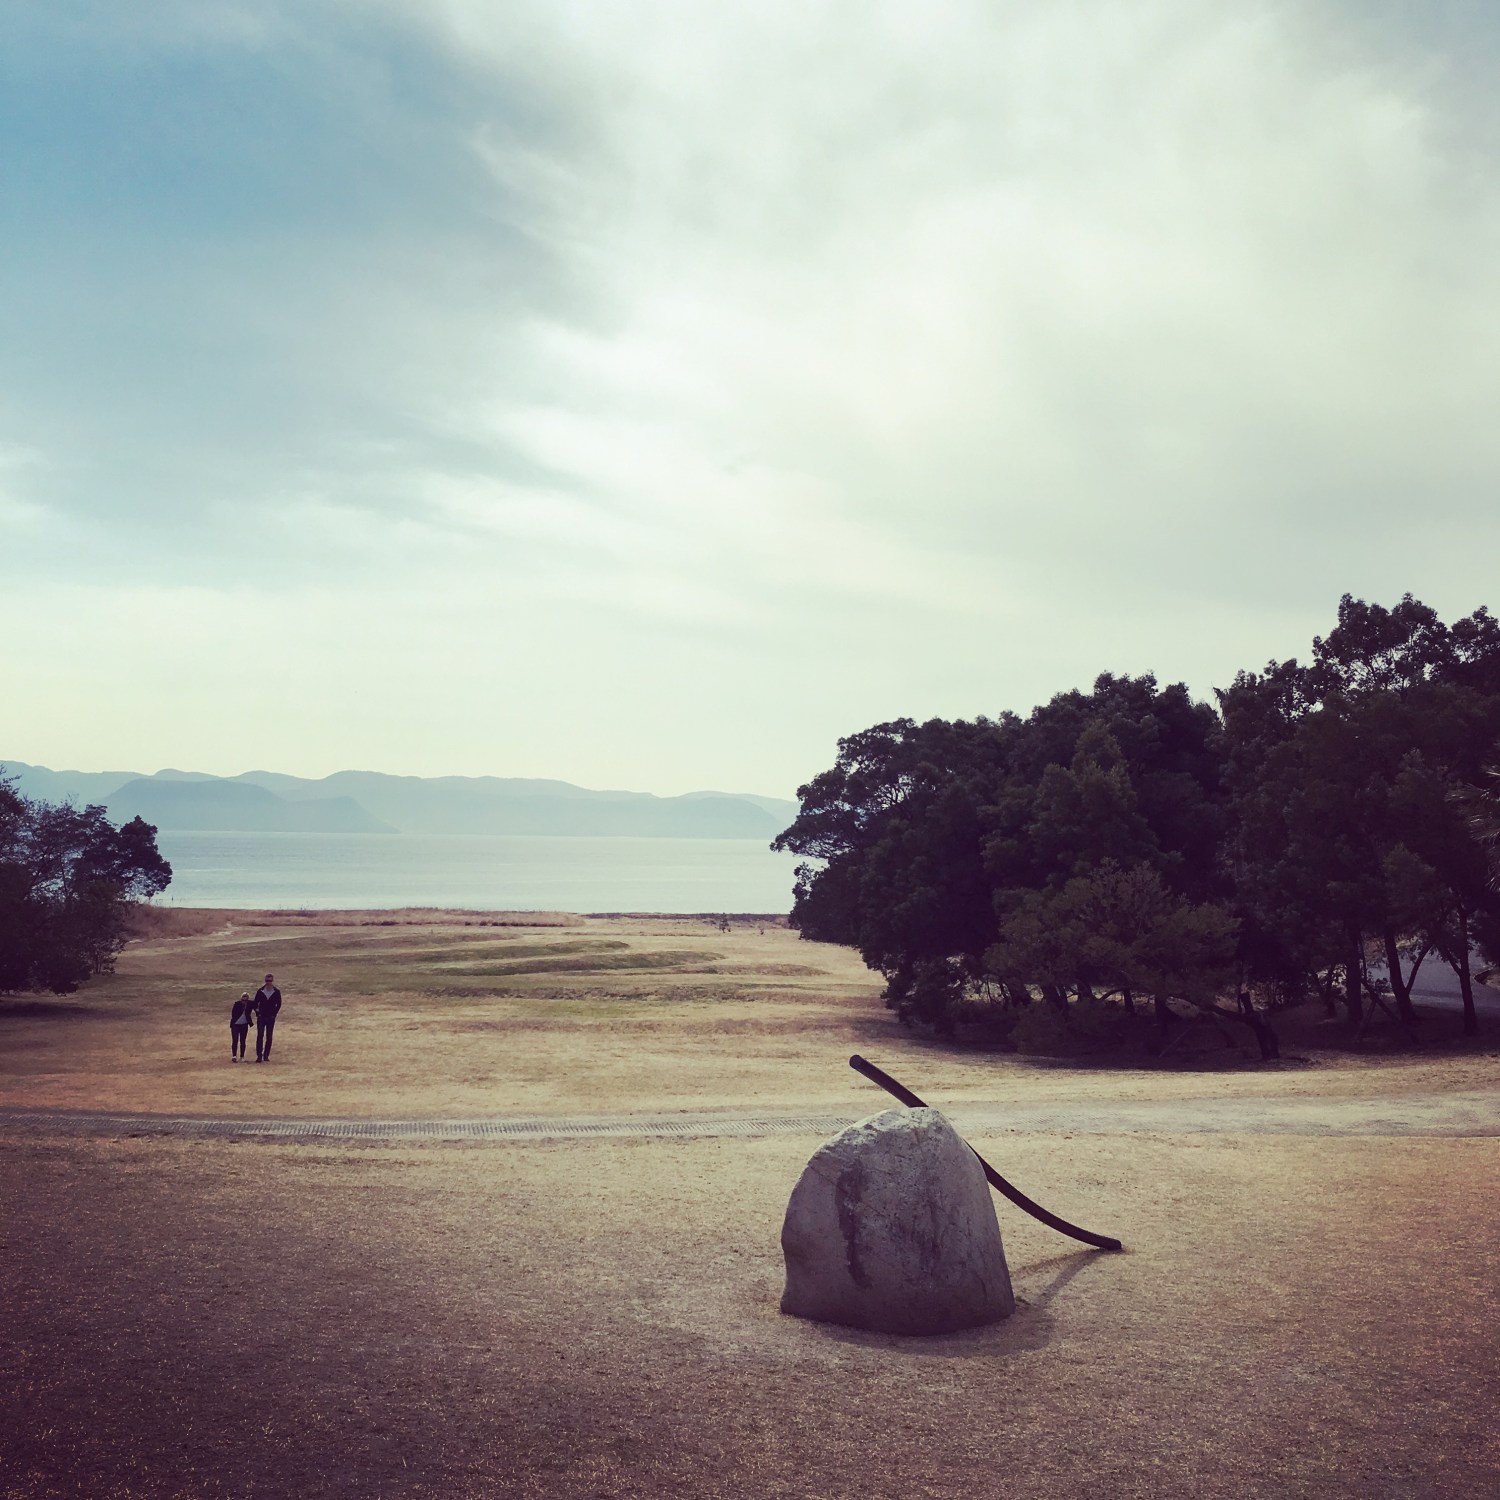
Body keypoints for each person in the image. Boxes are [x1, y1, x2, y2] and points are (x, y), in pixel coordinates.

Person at [255, 973, 282, 1062]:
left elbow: (279, 1004)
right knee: (260, 1036)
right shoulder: (260, 991)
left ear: (272, 981)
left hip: (270, 1017)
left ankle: (266, 1055)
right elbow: (255, 1003)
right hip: (261, 1017)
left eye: (269, 981)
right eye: (266, 981)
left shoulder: (276, 992)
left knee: (269, 1037)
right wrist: (257, 1013)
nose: (268, 983)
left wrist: (274, 1013)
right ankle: (259, 1055)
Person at [230, 992, 252, 1061]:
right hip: (235, 1025)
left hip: (244, 1025)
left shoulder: (250, 1004)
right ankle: (234, 1056)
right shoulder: (237, 1004)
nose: (244, 1002)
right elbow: (233, 1014)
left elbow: (256, 1005)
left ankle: (242, 1056)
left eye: (245, 1000)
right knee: (235, 1040)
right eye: (243, 1000)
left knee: (243, 1041)